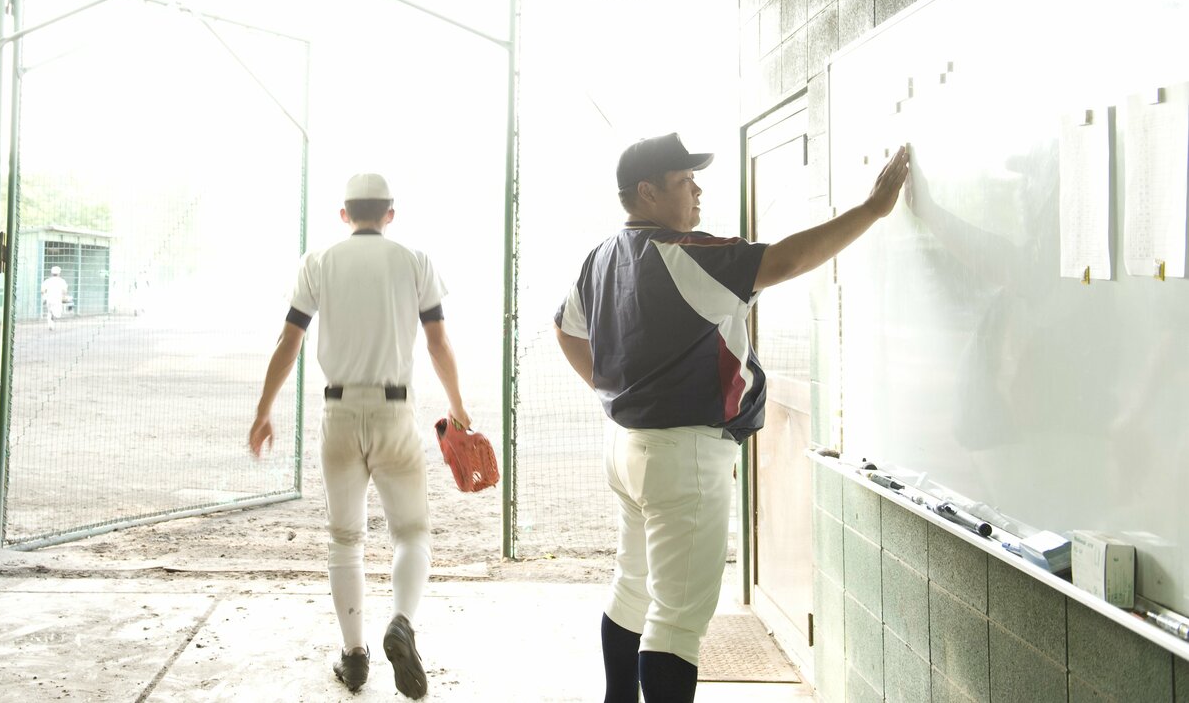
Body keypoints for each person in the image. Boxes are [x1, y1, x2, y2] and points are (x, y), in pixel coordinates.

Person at [554, 133, 908, 703]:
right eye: (683, 181)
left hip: (626, 445)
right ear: (646, 192)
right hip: (683, 457)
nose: (698, 189)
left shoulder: (600, 256)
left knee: (632, 589)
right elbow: (786, 259)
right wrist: (871, 210)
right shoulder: (684, 252)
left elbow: (565, 329)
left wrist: (613, 391)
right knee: (675, 622)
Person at [249, 173, 472, 700]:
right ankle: (401, 622)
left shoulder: (319, 262)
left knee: (346, 538)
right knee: (412, 532)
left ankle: (353, 658)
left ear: (344, 215)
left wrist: (263, 411)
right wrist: (458, 407)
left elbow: (289, 340)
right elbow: (438, 342)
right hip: (396, 412)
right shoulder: (414, 261)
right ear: (390, 214)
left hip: (340, 413)